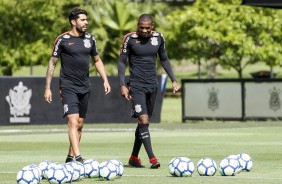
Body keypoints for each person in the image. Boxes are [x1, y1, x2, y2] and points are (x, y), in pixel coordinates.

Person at [44, 8, 111, 163]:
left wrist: (105, 80)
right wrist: (47, 87)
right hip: (68, 86)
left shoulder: (90, 39)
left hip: (84, 86)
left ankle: (70, 157)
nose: (86, 22)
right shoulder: (62, 39)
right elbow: (52, 64)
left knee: (80, 124)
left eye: (86, 19)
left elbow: (97, 61)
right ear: (73, 22)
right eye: (82, 19)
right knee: (73, 122)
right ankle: (79, 158)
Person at [118, 13, 179, 169]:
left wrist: (174, 79)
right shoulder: (129, 39)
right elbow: (122, 62)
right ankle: (153, 159)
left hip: (152, 85)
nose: (144, 31)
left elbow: (164, 59)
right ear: (138, 25)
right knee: (143, 121)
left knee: (144, 123)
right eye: (141, 27)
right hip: (136, 86)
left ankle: (133, 158)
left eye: (147, 28)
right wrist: (122, 84)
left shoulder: (159, 38)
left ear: (153, 26)